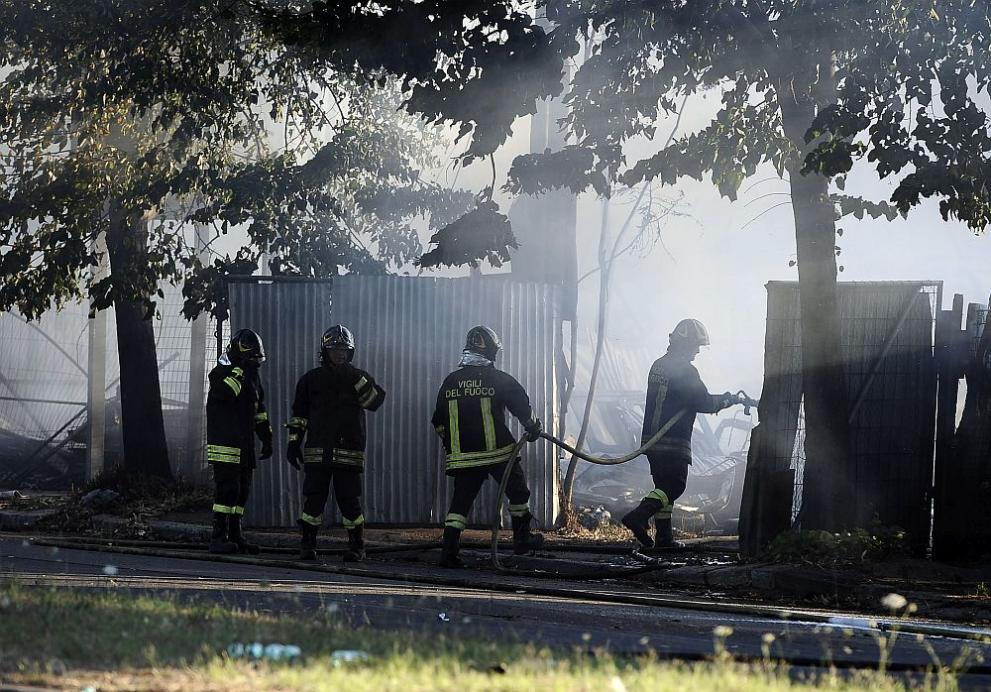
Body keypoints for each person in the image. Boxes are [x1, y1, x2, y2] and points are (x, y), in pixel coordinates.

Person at [622, 319, 745, 549]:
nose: (697, 351)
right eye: (695, 345)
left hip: (652, 441)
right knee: (675, 486)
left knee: (663, 488)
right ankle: (638, 516)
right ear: (685, 344)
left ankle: (664, 539)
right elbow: (703, 401)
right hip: (672, 441)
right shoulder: (685, 370)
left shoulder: (658, 365)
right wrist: (728, 399)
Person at [431, 325, 544, 568]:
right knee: (518, 494)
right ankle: (522, 540)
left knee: (459, 504)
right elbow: (523, 409)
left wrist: (452, 445)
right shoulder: (498, 380)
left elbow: (438, 422)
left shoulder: (451, 382)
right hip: (499, 454)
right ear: (492, 351)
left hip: (463, 458)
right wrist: (534, 427)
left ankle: (448, 553)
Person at [286, 325, 385, 562]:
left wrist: (356, 379)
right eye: (335, 348)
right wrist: (293, 444)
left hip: (348, 452)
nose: (340, 353)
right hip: (318, 453)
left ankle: (356, 546)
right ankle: (307, 544)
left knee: (350, 503)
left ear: (350, 352)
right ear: (325, 350)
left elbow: (375, 402)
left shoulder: (357, 377)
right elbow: (299, 415)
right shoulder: (310, 380)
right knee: (313, 501)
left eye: (344, 349)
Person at [206, 328, 272, 554]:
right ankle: (218, 537)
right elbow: (226, 394)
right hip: (224, 444)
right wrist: (239, 371)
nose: (255, 363)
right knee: (227, 491)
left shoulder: (252, 377)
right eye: (251, 358)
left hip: (244, 445)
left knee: (242, 490)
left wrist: (266, 437)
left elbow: (259, 410)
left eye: (257, 358)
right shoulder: (220, 373)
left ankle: (235, 535)